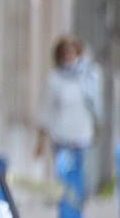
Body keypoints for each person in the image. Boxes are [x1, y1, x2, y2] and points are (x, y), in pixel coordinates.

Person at [36, 35, 101, 169]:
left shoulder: (88, 77)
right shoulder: (54, 79)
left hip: (83, 137)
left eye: (71, 52)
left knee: (81, 176)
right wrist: (40, 140)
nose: (68, 56)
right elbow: (46, 110)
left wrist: (97, 127)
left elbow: (95, 105)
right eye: (65, 53)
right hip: (61, 138)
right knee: (65, 175)